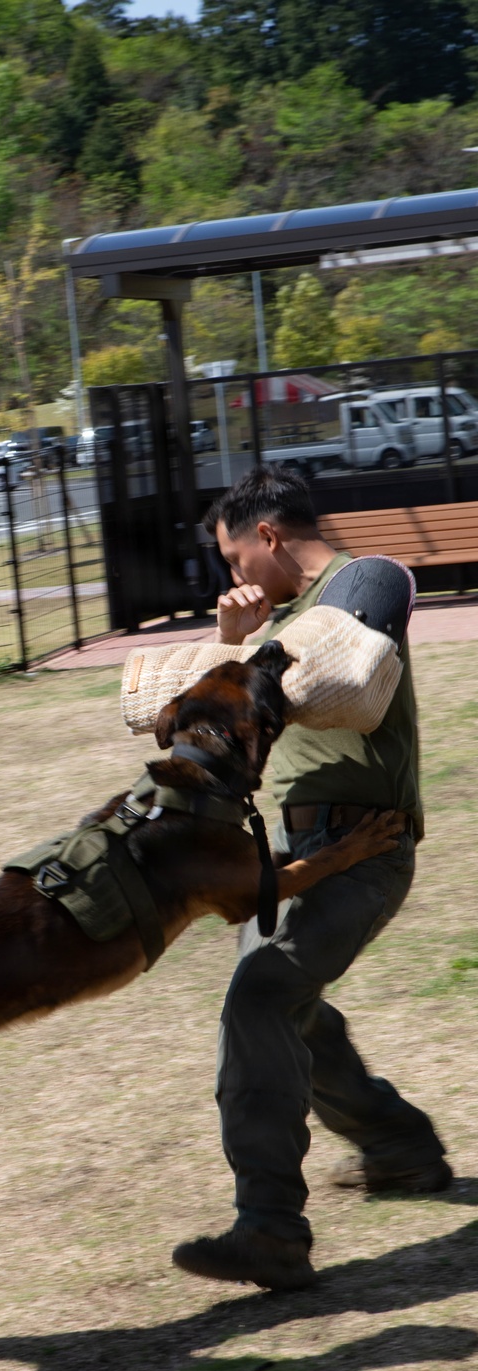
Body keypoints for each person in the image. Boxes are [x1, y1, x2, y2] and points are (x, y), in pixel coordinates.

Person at [172, 464, 451, 1292]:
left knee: (259, 1003)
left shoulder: (355, 586)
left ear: (266, 537)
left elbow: (337, 665)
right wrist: (232, 645)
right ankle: (398, 1148)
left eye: (234, 561)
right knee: (292, 1015)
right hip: (294, 859)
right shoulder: (288, 618)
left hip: (360, 850)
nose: (233, 580)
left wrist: (257, 642)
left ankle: (269, 1230)